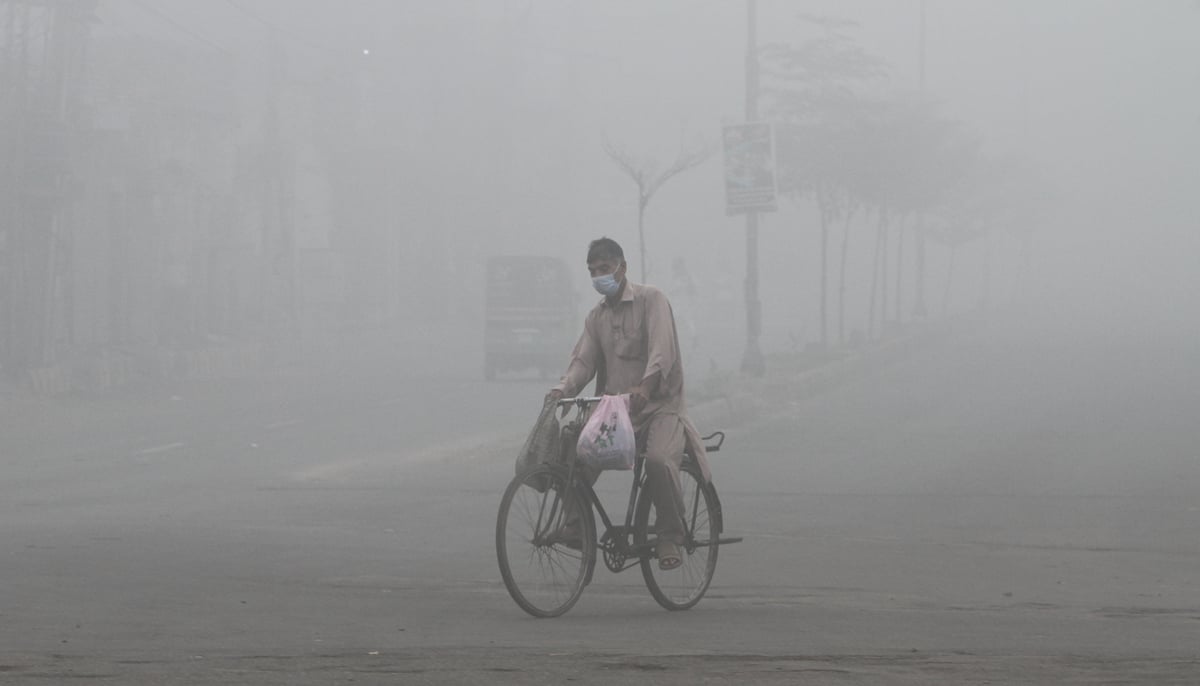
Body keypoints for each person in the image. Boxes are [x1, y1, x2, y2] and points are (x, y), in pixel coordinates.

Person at [547, 237, 711, 571]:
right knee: (570, 455)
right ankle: (576, 524)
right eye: (593, 271)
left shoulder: (652, 300)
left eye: (605, 269)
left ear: (623, 267)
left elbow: (663, 351)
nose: (599, 276)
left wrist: (647, 387)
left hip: (660, 407)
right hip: (616, 413)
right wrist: (562, 389)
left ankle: (670, 534)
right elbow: (583, 362)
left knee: (658, 461)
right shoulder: (596, 317)